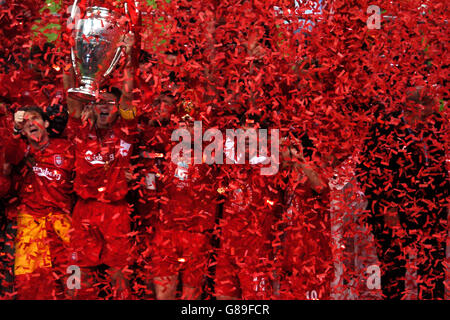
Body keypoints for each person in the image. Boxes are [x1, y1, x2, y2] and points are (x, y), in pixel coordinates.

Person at [63, 32, 138, 299]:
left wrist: (129, 58)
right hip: (83, 209)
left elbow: (128, 96)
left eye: (110, 103)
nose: (104, 107)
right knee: (77, 272)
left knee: (119, 275)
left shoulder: (127, 129)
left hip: (115, 212)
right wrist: (71, 53)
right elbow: (71, 96)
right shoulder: (79, 128)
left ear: (118, 109)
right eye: (99, 103)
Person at [356, 91, 448, 299]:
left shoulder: (435, 127)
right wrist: (388, 208)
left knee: (433, 273)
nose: (431, 118)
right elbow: (365, 171)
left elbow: (439, 166)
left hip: (431, 213)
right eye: (427, 113)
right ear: (413, 108)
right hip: (392, 214)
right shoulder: (384, 127)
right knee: (394, 274)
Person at [150, 96, 218, 300]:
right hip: (167, 231)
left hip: (196, 233)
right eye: (182, 122)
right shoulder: (164, 145)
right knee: (164, 294)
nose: (186, 127)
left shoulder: (212, 150)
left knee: (192, 295)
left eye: (191, 123)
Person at [9, 105, 74, 299]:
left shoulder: (66, 148)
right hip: (30, 224)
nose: (30, 122)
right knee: (30, 285)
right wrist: (14, 129)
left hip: (63, 222)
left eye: (34, 118)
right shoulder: (19, 150)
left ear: (46, 123)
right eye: (25, 121)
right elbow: (8, 156)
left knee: (74, 281)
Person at [214, 115, 281, 300]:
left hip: (256, 252)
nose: (245, 138)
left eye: (250, 134)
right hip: (228, 248)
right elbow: (220, 189)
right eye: (241, 133)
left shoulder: (271, 164)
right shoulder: (230, 164)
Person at [277, 129, 333, 300]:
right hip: (288, 262)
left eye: (282, 148)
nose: (278, 153)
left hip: (313, 264)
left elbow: (322, 187)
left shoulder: (313, 171)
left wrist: (300, 160)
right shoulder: (283, 176)